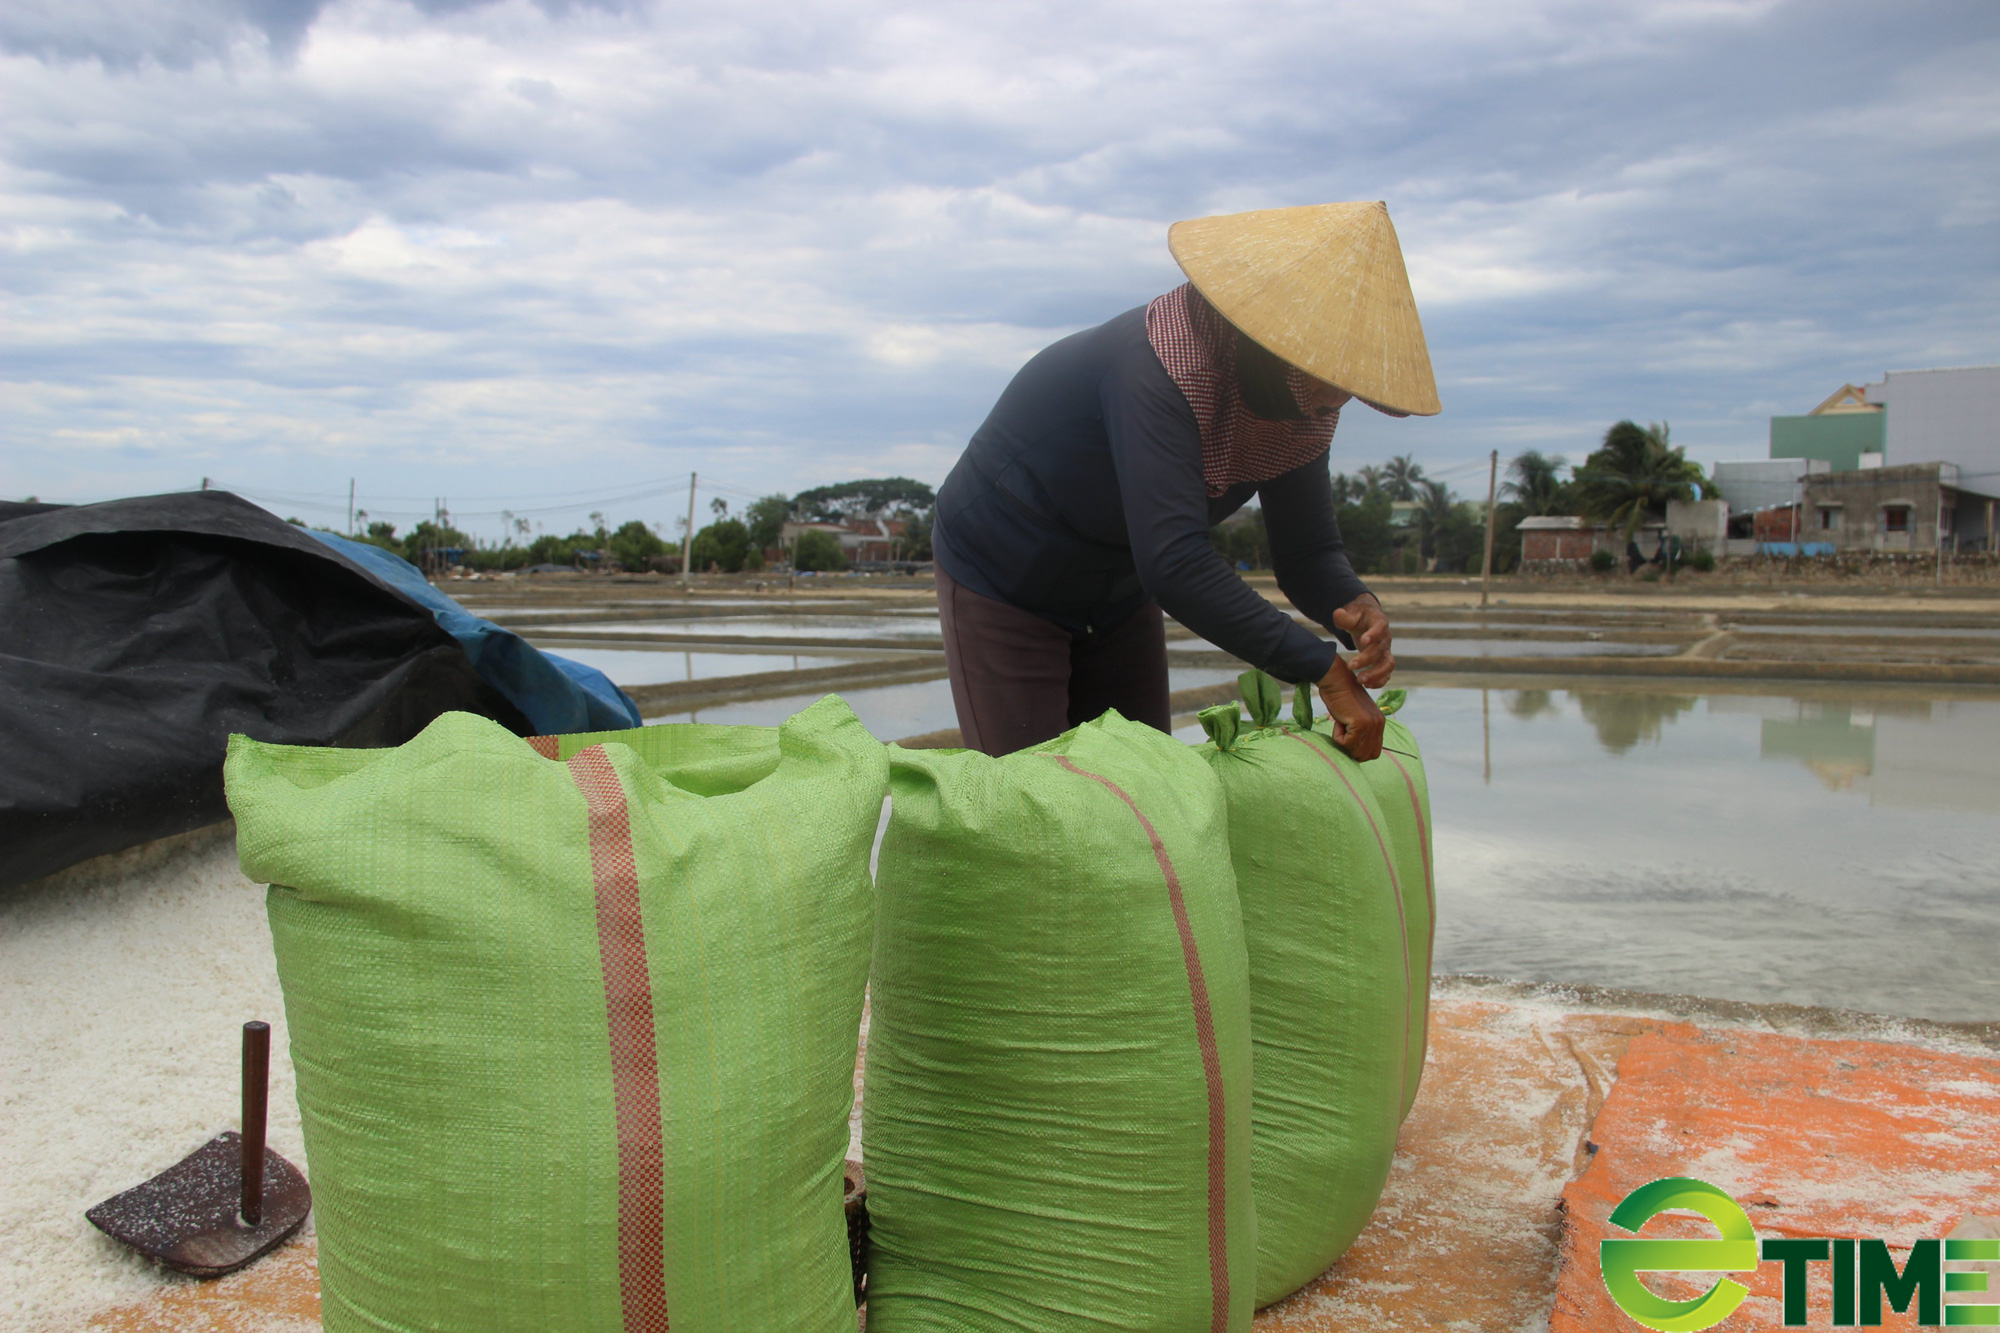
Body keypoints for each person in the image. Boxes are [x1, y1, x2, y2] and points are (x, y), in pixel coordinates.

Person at [930, 201, 1441, 761]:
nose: (1336, 398)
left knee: (1147, 787)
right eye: (1326, 375)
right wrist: (1323, 670)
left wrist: (1351, 602)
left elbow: (1309, 553)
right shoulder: (1161, 367)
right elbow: (1174, 562)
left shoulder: (1302, 407)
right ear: (1271, 340)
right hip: (1005, 576)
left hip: (1120, 593)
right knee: (1033, 808)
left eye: (1350, 383)